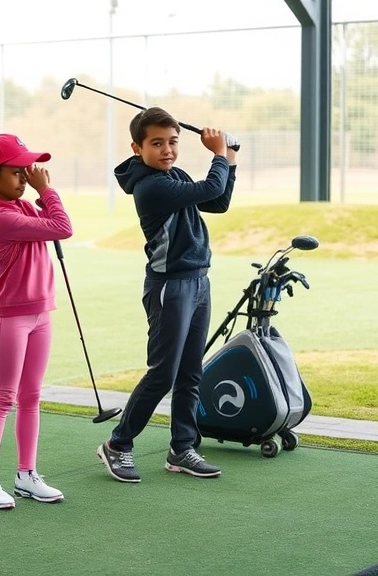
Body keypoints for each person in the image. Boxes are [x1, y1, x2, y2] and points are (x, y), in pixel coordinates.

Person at [97, 107, 236, 483]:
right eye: (156, 143)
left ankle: (181, 448)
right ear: (137, 147)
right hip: (169, 288)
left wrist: (230, 160)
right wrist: (219, 154)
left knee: (191, 372)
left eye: (173, 142)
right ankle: (117, 445)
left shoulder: (173, 176)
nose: (167, 150)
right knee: (163, 374)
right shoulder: (151, 186)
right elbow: (210, 186)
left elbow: (217, 201)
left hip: (198, 281)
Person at [0, 134, 72, 509]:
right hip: (10, 318)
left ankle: (26, 475)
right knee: (4, 397)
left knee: (31, 396)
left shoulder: (20, 206)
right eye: (16, 171)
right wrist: (47, 191)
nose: (25, 177)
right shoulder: (0, 216)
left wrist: (36, 194)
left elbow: (52, 224)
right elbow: (62, 227)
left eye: (27, 171)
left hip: (40, 314)